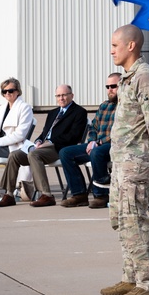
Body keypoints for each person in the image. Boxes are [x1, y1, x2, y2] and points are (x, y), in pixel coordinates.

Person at [100, 25, 149, 295]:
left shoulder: (146, 78)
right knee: (121, 221)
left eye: (115, 45)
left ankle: (147, 283)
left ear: (132, 46)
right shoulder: (128, 79)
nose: (111, 50)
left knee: (134, 221)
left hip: (137, 162)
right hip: (122, 162)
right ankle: (130, 277)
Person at [0, 84, 88, 208]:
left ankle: (46, 195)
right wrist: (39, 141)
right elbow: (44, 133)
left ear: (71, 96)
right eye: (58, 95)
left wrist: (49, 143)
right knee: (14, 155)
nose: (61, 98)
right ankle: (9, 194)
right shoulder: (53, 113)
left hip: (60, 148)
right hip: (43, 147)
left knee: (34, 155)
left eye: (64, 95)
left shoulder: (79, 112)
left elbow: (74, 136)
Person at [58, 74, 121, 209]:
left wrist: (99, 142)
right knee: (65, 153)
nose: (110, 89)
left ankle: (101, 195)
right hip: (98, 144)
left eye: (113, 86)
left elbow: (120, 131)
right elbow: (93, 127)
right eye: (107, 86)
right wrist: (92, 140)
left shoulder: (126, 106)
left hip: (116, 145)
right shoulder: (104, 105)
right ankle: (79, 194)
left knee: (96, 152)